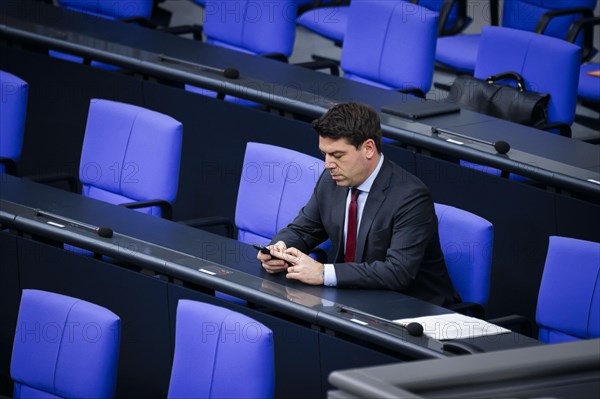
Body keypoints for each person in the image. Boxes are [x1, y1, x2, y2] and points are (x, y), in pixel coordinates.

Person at [257, 102, 460, 306]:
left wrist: (322, 272)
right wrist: (278, 250)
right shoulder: (331, 181)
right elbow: (303, 230)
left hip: (412, 308)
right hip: (353, 297)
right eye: (324, 154)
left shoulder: (411, 197)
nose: (327, 164)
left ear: (368, 149)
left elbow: (398, 272)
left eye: (337, 155)